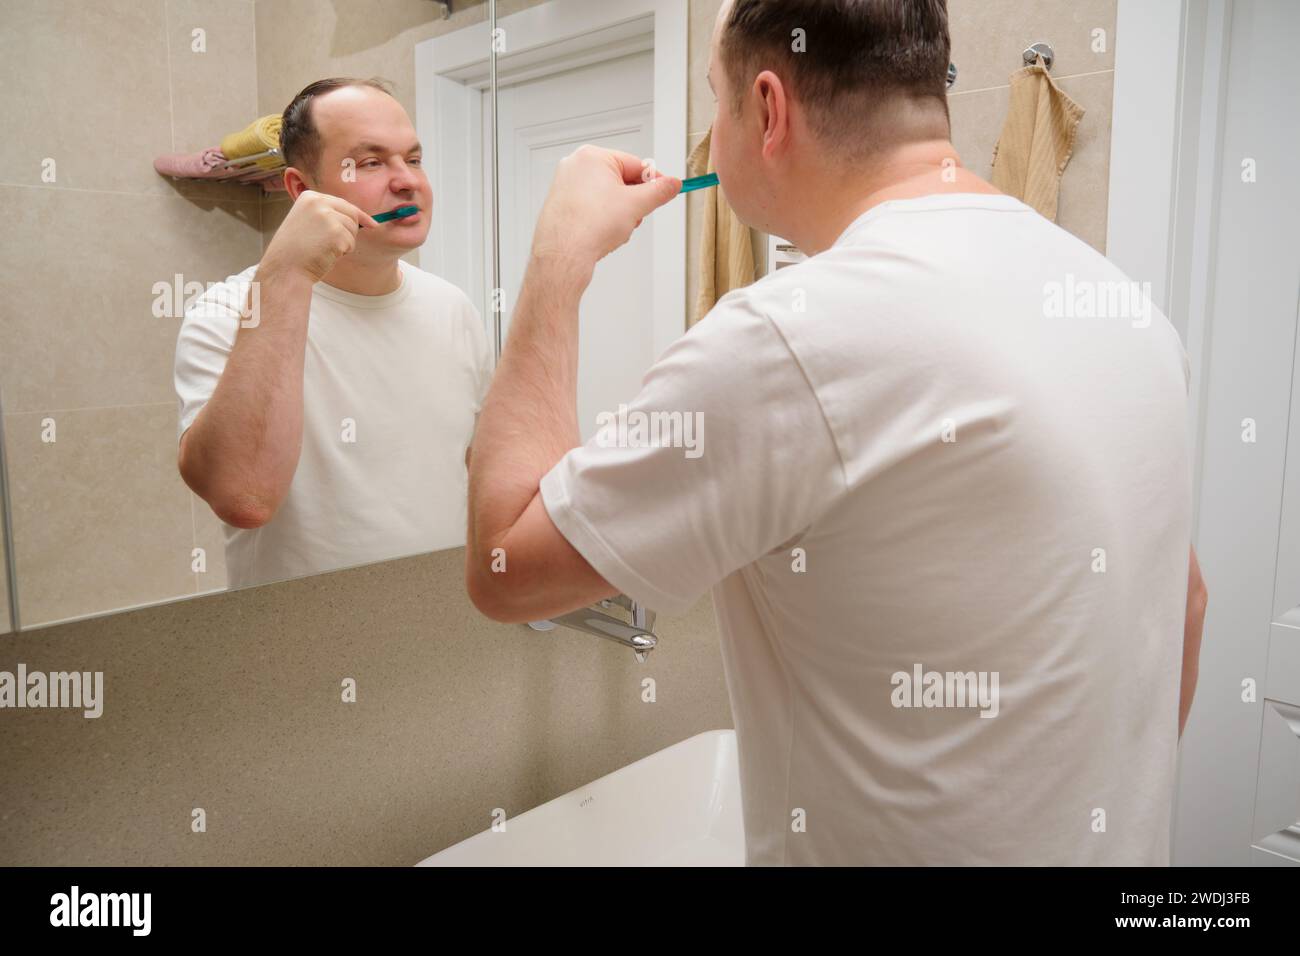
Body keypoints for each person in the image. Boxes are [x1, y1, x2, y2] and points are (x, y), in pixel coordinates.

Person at [465, 0, 1207, 865]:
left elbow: (504, 570)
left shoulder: (787, 341)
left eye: (718, 99)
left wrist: (559, 257)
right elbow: (1182, 601)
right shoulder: (1126, 310)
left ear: (770, 110)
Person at [175, 78, 491, 590]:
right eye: (370, 162)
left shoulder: (453, 308)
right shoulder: (226, 313)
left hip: (441, 626)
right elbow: (244, 498)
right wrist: (283, 275)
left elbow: (477, 471)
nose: (407, 181)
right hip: (300, 645)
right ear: (302, 191)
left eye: (413, 159)